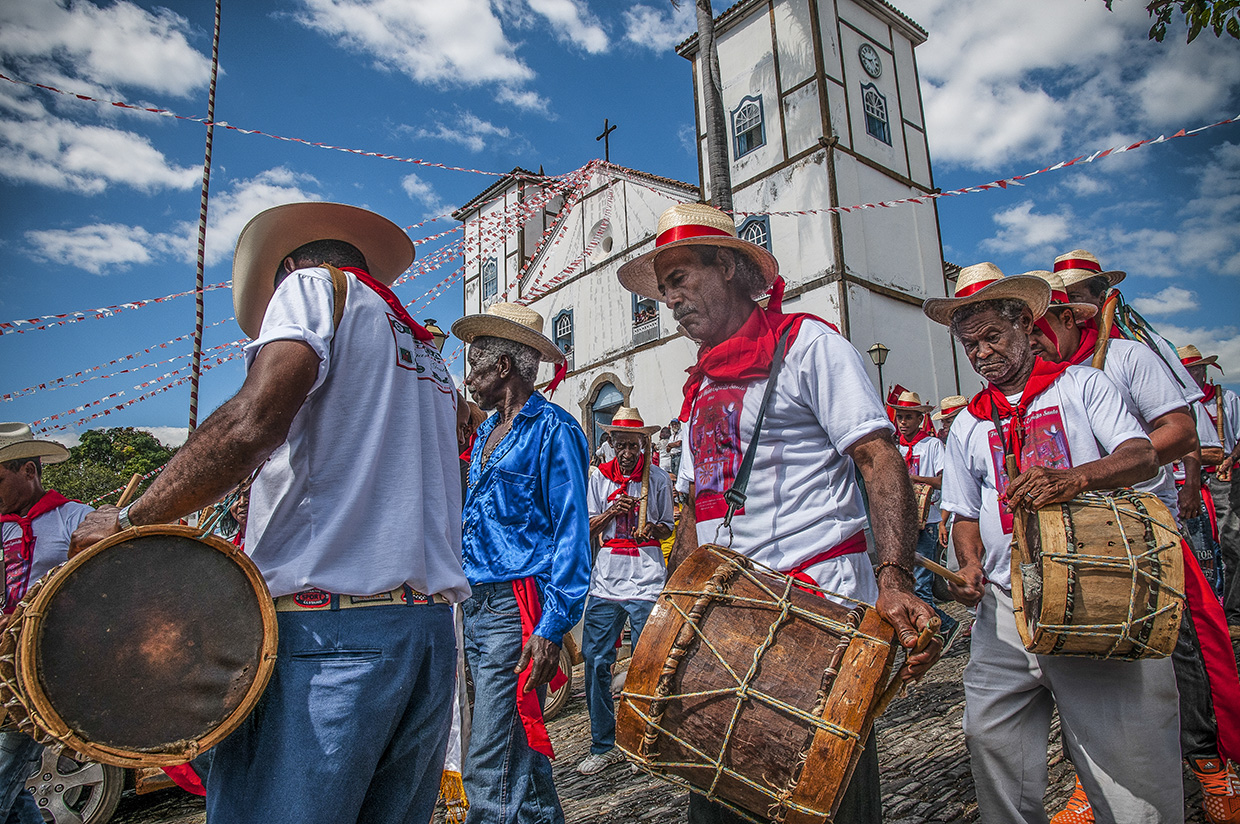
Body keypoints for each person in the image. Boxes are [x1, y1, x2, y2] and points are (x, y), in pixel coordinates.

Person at [70, 202, 468, 824]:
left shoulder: (309, 287)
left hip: (328, 641)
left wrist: (128, 522)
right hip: (423, 639)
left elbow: (252, 422)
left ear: (286, 268)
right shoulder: (431, 358)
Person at [617, 202, 942, 824]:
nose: (671, 300)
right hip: (721, 619)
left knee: (824, 797)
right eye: (664, 290)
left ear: (732, 268)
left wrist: (895, 577)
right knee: (716, 798)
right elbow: (695, 506)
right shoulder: (702, 385)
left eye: (681, 278)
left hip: (819, 610)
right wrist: (673, 608)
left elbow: (879, 460)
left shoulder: (809, 346)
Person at [926, 262, 1183, 823]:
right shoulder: (967, 424)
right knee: (990, 740)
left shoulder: (1083, 385)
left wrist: (1077, 478)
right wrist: (968, 565)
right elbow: (964, 515)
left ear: (1025, 323)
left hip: (1094, 591)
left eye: (992, 336)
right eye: (970, 345)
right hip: (1004, 609)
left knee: (1127, 763)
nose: (981, 353)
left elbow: (1140, 456)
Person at [1025, 270, 1240, 824]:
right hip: (1074, 534)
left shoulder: (1128, 359)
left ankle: (1211, 767)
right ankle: (1090, 778)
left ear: (1071, 318)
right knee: (1087, 654)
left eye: (1040, 325)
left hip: (1143, 526)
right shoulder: (1043, 383)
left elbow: (1181, 434)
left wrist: (1091, 471)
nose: (1032, 339)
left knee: (1182, 651)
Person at [451, 302, 591, 824]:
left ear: (503, 368)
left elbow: (572, 535)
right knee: (520, 763)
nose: (469, 378)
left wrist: (553, 626)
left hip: (516, 610)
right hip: (477, 606)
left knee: (487, 767)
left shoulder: (554, 430)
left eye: (476, 366)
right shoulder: (487, 435)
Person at [0, 423, 91, 824]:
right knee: (13, 789)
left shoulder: (77, 519)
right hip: (1, 663)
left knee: (5, 770)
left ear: (29, 472)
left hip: (42, 670)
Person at [578, 407, 674, 776]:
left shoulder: (658, 480)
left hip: (647, 578)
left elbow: (668, 527)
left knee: (649, 661)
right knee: (597, 660)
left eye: (633, 445)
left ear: (643, 444)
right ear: (612, 445)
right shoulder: (598, 480)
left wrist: (652, 529)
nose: (627, 452)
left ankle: (644, 740)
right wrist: (610, 514)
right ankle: (604, 744)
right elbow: (585, 526)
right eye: (621, 445)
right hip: (606, 580)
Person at [887, 387, 960, 646]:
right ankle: (944, 627)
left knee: (922, 587)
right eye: (900, 417)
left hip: (925, 522)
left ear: (920, 419)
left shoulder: (931, 445)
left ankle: (938, 633)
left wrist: (914, 478)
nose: (903, 422)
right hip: (901, 524)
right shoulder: (894, 447)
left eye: (909, 417)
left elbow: (943, 481)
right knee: (906, 587)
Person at [1181, 344, 1240, 641]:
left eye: (1197, 369)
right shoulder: (1183, 401)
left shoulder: (1226, 399)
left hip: (1223, 473)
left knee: (1231, 539)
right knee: (1202, 544)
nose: (1195, 374)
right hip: (1193, 473)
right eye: (1190, 369)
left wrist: (1229, 460)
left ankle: (1231, 612)